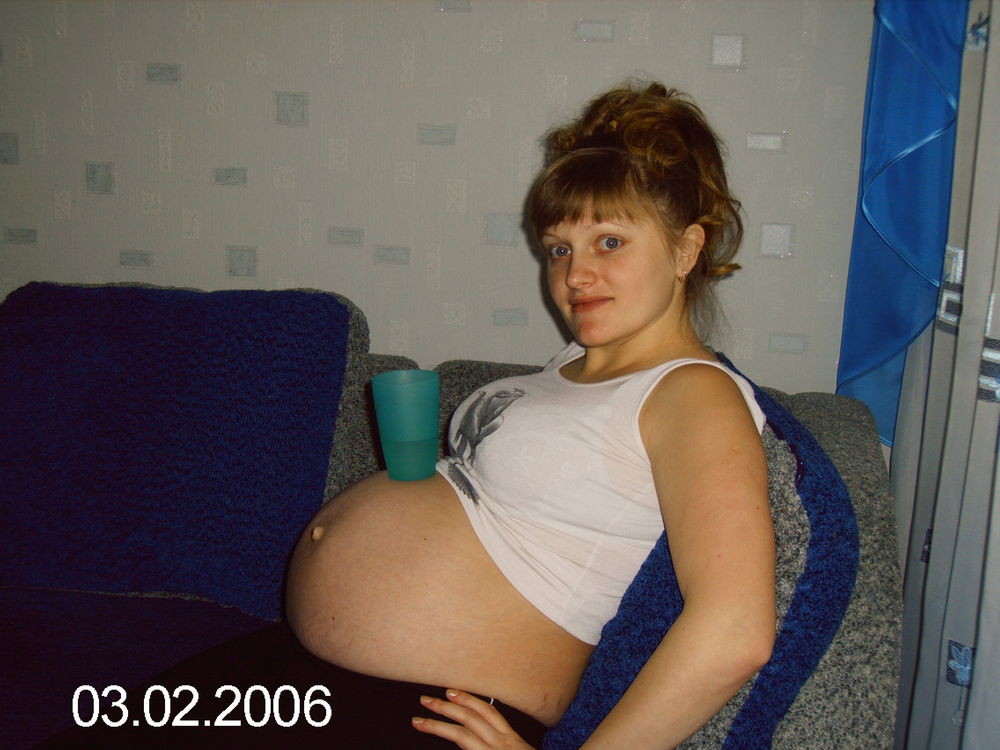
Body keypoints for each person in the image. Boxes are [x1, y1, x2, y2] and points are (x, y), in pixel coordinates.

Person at [284, 79, 776, 749]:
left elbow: (736, 630)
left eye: (610, 242)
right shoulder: (570, 363)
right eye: (559, 248)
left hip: (443, 708)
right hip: (329, 674)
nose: (575, 275)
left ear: (686, 250)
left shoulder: (693, 393)